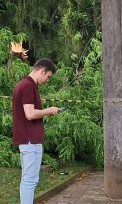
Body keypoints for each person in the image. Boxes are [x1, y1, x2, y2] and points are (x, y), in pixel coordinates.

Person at [12, 58, 61, 204]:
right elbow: (30, 114)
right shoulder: (27, 86)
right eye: (48, 76)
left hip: (29, 140)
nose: (47, 80)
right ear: (42, 71)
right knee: (30, 180)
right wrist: (49, 110)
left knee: (29, 179)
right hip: (29, 140)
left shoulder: (25, 85)